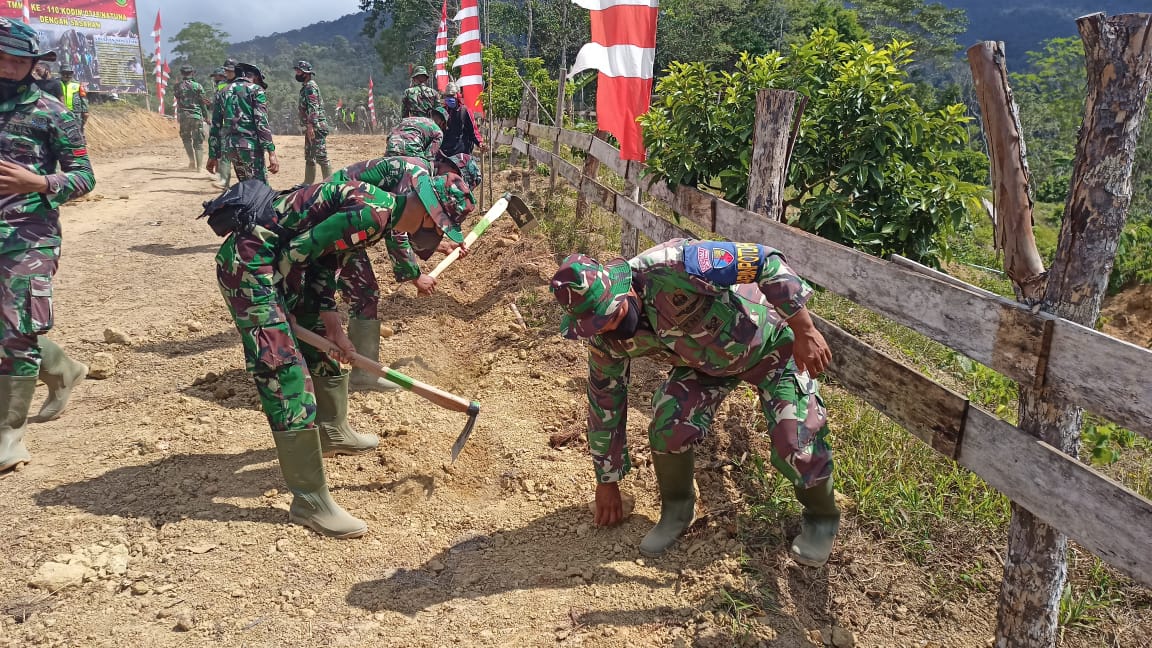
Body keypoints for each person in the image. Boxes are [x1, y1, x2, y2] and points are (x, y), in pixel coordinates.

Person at [206, 173, 474, 537]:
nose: (436, 236)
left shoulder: (381, 217)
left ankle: (332, 431)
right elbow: (294, 255)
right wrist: (275, 315)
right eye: (441, 227)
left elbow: (321, 268)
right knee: (284, 371)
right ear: (429, 215)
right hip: (252, 267)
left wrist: (334, 331)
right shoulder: (371, 215)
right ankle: (309, 502)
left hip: (281, 265)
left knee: (323, 342)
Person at [549, 239, 840, 566]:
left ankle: (822, 517)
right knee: (666, 425)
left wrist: (805, 329)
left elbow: (764, 261)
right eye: (597, 324)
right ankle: (677, 509)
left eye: (611, 315)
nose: (609, 327)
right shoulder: (605, 341)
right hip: (707, 366)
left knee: (796, 443)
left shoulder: (676, 265)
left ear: (622, 291)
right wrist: (607, 481)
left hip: (773, 346)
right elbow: (605, 404)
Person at [0, 18, 95, 475]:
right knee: (9, 325)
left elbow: (84, 176)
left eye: (18, 62)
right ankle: (63, 370)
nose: (8, 68)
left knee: (16, 326)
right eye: (1, 59)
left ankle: (8, 434)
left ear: (33, 65)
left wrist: (39, 181)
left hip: (28, 233)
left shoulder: (50, 112)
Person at [323, 155, 476, 391]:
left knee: (365, 291)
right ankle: (330, 373)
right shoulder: (416, 175)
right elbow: (399, 229)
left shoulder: (422, 179)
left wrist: (442, 246)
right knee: (352, 291)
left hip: (348, 217)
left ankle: (362, 372)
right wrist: (416, 276)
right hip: (335, 216)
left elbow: (409, 224)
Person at [208, 62, 278, 184]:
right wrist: (271, 153)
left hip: (231, 148)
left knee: (245, 186)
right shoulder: (256, 90)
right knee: (260, 188)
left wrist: (213, 155)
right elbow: (261, 122)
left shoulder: (222, 91)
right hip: (251, 147)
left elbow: (215, 126)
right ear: (255, 77)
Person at [294, 60, 331, 183]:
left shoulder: (310, 86)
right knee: (310, 156)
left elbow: (313, 107)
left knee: (321, 157)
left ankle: (329, 184)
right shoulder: (306, 86)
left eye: (299, 71)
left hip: (316, 127)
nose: (297, 73)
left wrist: (310, 126)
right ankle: (307, 183)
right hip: (312, 127)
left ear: (306, 73)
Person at [174, 64, 208, 171]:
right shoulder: (198, 86)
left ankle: (191, 161)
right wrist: (206, 116)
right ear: (192, 72)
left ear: (182, 73)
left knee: (186, 139)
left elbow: (178, 101)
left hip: (184, 116)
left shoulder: (177, 86)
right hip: (196, 116)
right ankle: (199, 167)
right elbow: (203, 103)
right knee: (198, 142)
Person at [440, 83, 485, 157]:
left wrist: (479, 142)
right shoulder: (442, 111)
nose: (450, 98)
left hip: (461, 152)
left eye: (452, 96)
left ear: (457, 95)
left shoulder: (465, 111)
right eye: (447, 96)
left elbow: (473, 131)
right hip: (445, 151)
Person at [208, 62, 235, 188]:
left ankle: (224, 180)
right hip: (234, 125)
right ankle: (223, 178)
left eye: (217, 76)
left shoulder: (223, 87)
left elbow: (220, 106)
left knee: (225, 153)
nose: (215, 79)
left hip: (226, 125)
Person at [59, 65, 87, 131]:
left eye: (69, 73)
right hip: (60, 112)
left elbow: (84, 99)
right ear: (61, 74)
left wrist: (85, 110)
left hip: (75, 112)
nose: (67, 75)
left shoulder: (78, 84)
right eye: (65, 73)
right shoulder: (56, 83)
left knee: (77, 130)